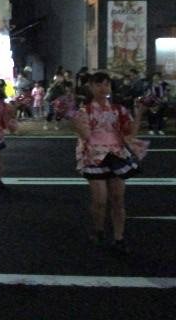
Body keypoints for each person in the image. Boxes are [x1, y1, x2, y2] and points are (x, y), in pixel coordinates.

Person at [72, 72, 147, 255]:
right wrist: (74, 122)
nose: (103, 88)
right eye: (99, 84)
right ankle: (98, 230)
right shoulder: (85, 111)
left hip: (116, 155)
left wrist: (139, 113)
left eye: (107, 84)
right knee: (99, 200)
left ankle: (119, 238)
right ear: (90, 87)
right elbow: (87, 137)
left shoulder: (118, 110)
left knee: (118, 199)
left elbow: (130, 133)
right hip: (94, 156)